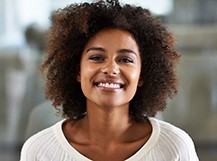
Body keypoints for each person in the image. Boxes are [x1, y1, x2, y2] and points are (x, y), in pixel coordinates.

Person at [20, 0, 199, 160]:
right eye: (97, 57)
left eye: (125, 59)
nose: (111, 69)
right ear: (77, 71)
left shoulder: (174, 147)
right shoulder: (39, 151)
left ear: (142, 75)